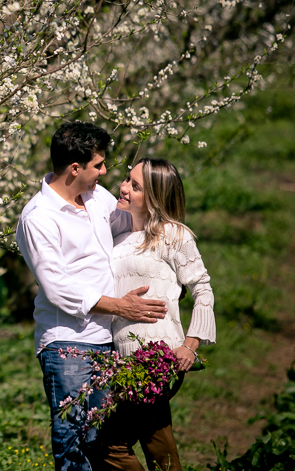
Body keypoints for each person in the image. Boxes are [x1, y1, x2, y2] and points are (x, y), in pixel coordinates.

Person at [16, 121, 169, 471]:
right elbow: (56, 287)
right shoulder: (39, 218)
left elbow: (127, 226)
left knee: (104, 444)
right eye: (98, 165)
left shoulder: (97, 198)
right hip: (69, 344)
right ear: (75, 168)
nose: (105, 172)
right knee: (75, 445)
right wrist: (120, 305)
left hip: (108, 338)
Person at [96, 158, 216, 471]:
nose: (123, 187)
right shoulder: (118, 240)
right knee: (157, 439)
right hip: (124, 362)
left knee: (106, 446)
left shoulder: (173, 235)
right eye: (126, 180)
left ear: (155, 198)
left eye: (135, 186)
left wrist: (190, 345)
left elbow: (203, 291)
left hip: (158, 359)